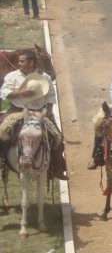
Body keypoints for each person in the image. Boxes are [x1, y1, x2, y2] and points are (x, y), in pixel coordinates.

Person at [0, 51, 67, 180]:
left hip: (38, 112)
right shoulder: (12, 76)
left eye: (22, 61)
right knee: (1, 133)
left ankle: (57, 168)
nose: (19, 64)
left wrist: (49, 111)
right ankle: (3, 161)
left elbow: (51, 95)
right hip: (16, 111)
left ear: (31, 63)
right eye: (19, 61)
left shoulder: (45, 77)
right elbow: (4, 93)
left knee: (58, 138)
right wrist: (22, 93)